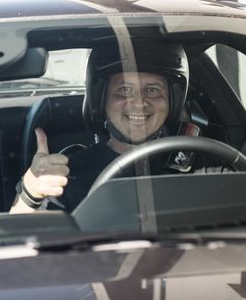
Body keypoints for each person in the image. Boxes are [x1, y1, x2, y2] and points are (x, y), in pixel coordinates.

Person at [10, 40, 191, 213]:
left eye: (152, 90)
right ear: (101, 100)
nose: (139, 103)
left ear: (172, 101)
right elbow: (18, 239)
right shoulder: (68, 173)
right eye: (125, 89)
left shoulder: (198, 162)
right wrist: (30, 192)